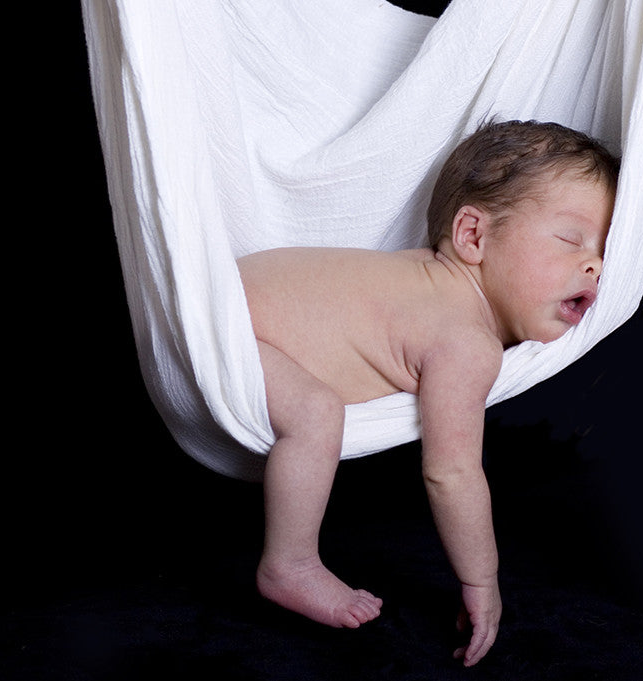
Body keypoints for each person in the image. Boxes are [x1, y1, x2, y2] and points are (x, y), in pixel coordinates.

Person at [236, 119, 619, 666]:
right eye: (570, 239)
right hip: (234, 339)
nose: (596, 265)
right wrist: (482, 579)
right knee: (317, 412)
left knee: (316, 405)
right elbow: (452, 471)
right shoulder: (466, 341)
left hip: (224, 301)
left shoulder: (416, 274)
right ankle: (289, 564)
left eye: (603, 251)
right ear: (473, 236)